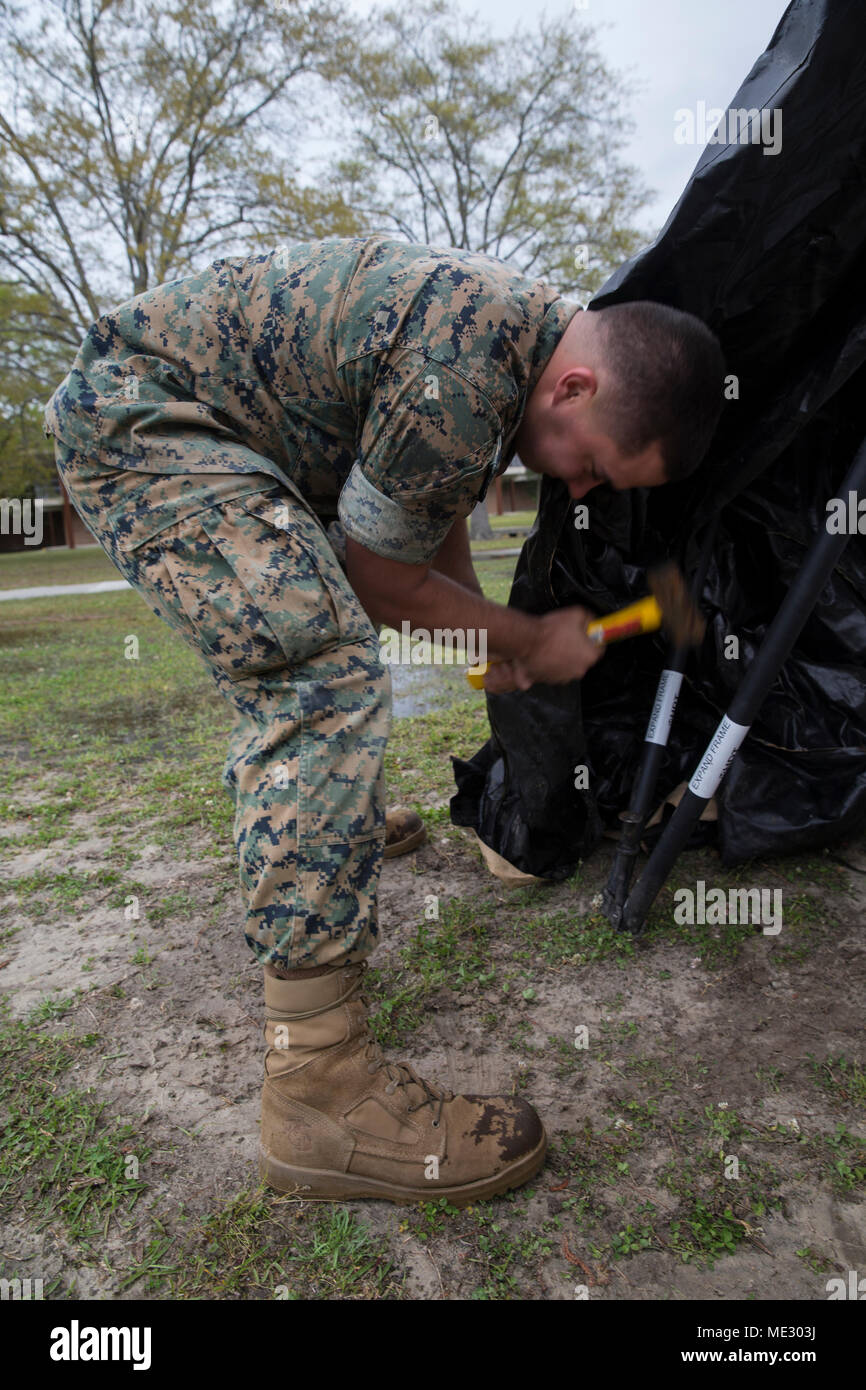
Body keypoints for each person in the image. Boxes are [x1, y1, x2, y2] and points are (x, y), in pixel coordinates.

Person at [43, 234, 725, 1205]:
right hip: (146, 424)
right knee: (318, 670)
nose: (578, 490)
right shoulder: (467, 361)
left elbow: (415, 520)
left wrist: (491, 636)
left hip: (212, 428)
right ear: (573, 389)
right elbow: (380, 578)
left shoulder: (501, 348)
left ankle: (331, 832)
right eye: (595, 467)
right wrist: (525, 639)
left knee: (316, 637)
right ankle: (317, 1088)